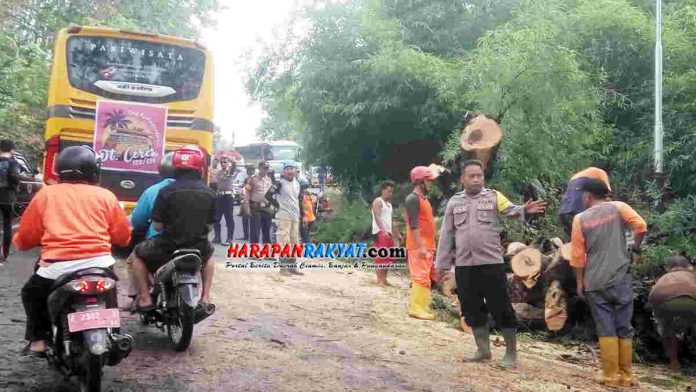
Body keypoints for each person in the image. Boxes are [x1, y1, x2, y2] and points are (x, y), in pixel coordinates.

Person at [13, 145, 131, 356]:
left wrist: (20, 241)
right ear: (94, 170)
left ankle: (39, 340)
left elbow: (25, 239)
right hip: (100, 264)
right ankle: (113, 333)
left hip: (58, 267)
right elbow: (122, 237)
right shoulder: (106, 196)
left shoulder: (46, 195)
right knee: (110, 292)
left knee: (32, 293)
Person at [435, 159, 546, 369]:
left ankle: (511, 353)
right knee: (471, 308)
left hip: (491, 263)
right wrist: (441, 264)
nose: (477, 179)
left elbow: (511, 210)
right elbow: (447, 235)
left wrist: (524, 209)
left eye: (480, 175)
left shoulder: (494, 196)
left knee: (501, 307)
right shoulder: (454, 203)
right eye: (472, 176)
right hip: (465, 265)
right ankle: (483, 350)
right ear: (462, 179)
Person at [570, 178, 647, 387]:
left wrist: (579, 282)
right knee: (624, 324)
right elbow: (640, 226)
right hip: (620, 277)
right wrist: (635, 248)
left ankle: (610, 375)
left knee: (605, 325)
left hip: (595, 281)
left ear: (587, 196)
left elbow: (577, 256)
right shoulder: (619, 207)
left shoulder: (580, 219)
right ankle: (627, 375)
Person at [130, 146, 216, 311]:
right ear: (200, 168)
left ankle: (145, 299)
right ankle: (205, 297)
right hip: (198, 248)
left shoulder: (165, 191)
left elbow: (157, 225)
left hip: (167, 248)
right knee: (210, 256)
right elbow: (210, 225)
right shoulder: (210, 193)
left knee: (137, 256)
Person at [125, 152, 175, 298]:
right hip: (191, 243)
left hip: (160, 244)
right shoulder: (197, 190)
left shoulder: (153, 191)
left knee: (134, 259)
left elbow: (138, 220)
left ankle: (140, 297)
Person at [403, 165, 441, 320]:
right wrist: (420, 246)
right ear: (419, 181)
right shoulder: (412, 199)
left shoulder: (424, 200)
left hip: (427, 244)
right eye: (428, 180)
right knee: (419, 276)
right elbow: (414, 225)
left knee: (425, 276)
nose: (431, 183)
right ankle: (416, 308)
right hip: (418, 245)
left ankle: (423, 306)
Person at [648, 255, 696, 372]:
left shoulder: (664, 277)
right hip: (693, 301)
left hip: (666, 303)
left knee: (667, 330)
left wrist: (659, 316)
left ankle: (673, 362)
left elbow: (652, 296)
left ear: (668, 268)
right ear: (687, 266)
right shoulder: (692, 276)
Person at [559, 165, 611, 236]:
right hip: (580, 214)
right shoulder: (601, 172)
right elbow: (608, 194)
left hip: (564, 213)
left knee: (578, 242)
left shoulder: (576, 177)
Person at [272, 162, 303, 276]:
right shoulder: (279, 184)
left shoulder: (297, 183)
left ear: (295, 171)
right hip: (283, 216)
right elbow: (267, 197)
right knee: (284, 241)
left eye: (292, 169)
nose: (290, 171)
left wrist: (302, 215)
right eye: (288, 169)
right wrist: (275, 207)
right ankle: (283, 268)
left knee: (295, 242)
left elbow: (298, 200)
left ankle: (292, 267)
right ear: (283, 171)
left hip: (295, 216)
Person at [372, 180, 402, 287]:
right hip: (380, 232)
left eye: (392, 192)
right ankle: (380, 279)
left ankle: (384, 279)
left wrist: (397, 234)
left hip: (388, 233)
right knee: (381, 256)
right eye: (389, 191)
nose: (390, 194)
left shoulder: (389, 205)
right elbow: (377, 217)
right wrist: (383, 230)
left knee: (388, 257)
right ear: (383, 190)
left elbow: (391, 220)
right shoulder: (378, 201)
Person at [0, 140, 21, 262]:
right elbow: (14, 177)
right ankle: (4, 253)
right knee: (7, 225)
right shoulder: (13, 163)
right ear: (12, 150)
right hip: (7, 198)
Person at [244, 161, 273, 244]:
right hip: (255, 207)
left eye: (267, 168)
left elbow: (271, 195)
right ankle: (254, 253)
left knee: (267, 231)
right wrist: (247, 208)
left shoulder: (269, 180)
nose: (266, 170)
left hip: (266, 208)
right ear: (260, 168)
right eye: (264, 168)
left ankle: (267, 252)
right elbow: (247, 193)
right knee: (255, 232)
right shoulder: (252, 179)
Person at [213, 156, 236, 245]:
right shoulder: (219, 172)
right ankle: (217, 237)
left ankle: (229, 238)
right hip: (220, 197)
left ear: (227, 163)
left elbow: (234, 164)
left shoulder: (229, 171)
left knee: (229, 218)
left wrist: (229, 158)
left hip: (228, 197)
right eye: (222, 162)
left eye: (225, 162)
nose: (223, 164)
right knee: (216, 218)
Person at [299, 176, 316, 244]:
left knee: (306, 236)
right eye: (303, 187)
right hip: (307, 218)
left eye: (305, 187)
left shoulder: (305, 195)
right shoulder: (301, 195)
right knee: (305, 236)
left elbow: (312, 205)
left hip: (308, 218)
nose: (304, 189)